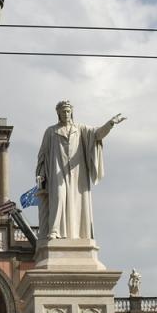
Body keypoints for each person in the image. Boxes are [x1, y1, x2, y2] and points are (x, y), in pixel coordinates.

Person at [34, 100, 125, 242]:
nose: (66, 114)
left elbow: (98, 134)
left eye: (68, 111)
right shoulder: (51, 131)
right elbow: (43, 154)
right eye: (63, 111)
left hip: (77, 174)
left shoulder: (80, 129)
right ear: (58, 113)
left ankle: (78, 234)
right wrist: (40, 173)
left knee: (76, 202)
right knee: (58, 196)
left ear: (72, 112)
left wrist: (111, 123)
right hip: (57, 172)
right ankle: (54, 230)